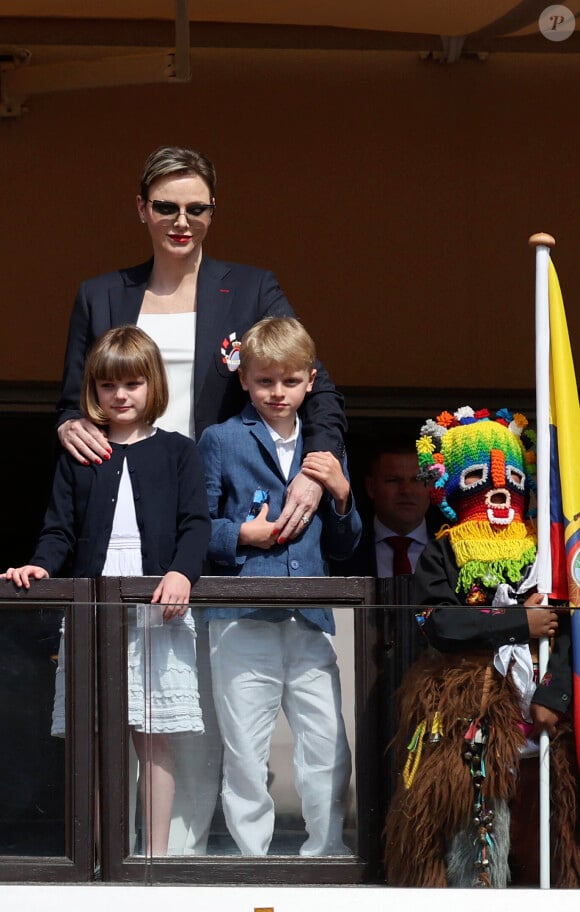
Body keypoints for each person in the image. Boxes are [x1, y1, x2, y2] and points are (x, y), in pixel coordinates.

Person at [54, 145, 348, 852]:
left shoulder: (249, 290)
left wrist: (316, 465)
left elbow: (317, 383)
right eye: (166, 207)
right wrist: (69, 423)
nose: (181, 221)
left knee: (205, 709)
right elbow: (72, 399)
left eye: (196, 208)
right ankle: (116, 858)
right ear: (141, 210)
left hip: (213, 512)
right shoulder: (101, 295)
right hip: (131, 511)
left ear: (214, 212)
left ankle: (182, 858)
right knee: (126, 704)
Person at [1, 326, 211, 857]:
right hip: (94, 603)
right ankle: (99, 856)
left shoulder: (180, 452)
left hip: (158, 603)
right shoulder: (80, 454)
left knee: (153, 738)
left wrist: (183, 573)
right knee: (96, 740)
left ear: (152, 387)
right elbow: (58, 531)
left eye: (132, 384)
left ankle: (154, 857)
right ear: (92, 391)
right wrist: (40, 568)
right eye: (108, 386)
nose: (120, 396)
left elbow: (196, 525)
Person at [384, 406, 580, 888]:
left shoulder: (546, 552)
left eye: (511, 477)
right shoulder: (443, 551)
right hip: (469, 719)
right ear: (452, 485)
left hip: (541, 721)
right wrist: (520, 622)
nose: (497, 489)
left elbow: (571, 626)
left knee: (547, 839)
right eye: (477, 476)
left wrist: (553, 695)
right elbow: (440, 623)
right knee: (474, 837)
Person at [197, 316, 362, 856]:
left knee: (327, 744)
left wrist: (340, 497)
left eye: (290, 381)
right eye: (265, 380)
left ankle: (327, 850)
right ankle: (254, 859)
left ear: (310, 381)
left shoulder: (324, 450)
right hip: (242, 616)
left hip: (310, 618)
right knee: (245, 748)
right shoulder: (221, 439)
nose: (277, 392)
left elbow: (343, 547)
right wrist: (242, 533)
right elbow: (194, 528)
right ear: (243, 379)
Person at [338, 440, 432, 577]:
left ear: (432, 486)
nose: (406, 490)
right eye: (393, 480)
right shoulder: (346, 548)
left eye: (417, 480)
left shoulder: (452, 548)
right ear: (371, 487)